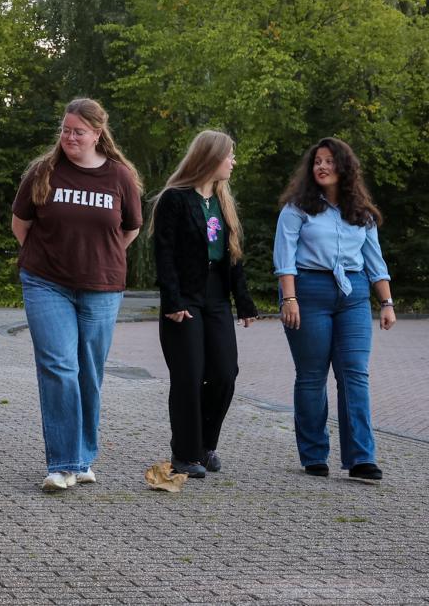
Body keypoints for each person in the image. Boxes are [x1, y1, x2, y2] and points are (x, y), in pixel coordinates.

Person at [11, 98, 143, 491]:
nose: (69, 137)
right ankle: (63, 463)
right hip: (46, 282)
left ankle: (82, 459)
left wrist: (99, 258)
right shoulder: (43, 172)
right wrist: (48, 258)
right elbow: (20, 224)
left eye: (78, 132)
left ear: (97, 134)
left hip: (101, 287)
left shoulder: (119, 177)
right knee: (59, 367)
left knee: (89, 372)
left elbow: (130, 228)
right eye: (66, 130)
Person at [273, 137, 395, 482]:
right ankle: (314, 455)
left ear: (344, 167)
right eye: (317, 162)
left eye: (329, 161)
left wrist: (386, 303)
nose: (322, 167)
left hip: (353, 295)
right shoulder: (297, 209)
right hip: (308, 291)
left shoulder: (361, 213)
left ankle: (361, 458)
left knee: (354, 373)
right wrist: (289, 299)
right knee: (312, 376)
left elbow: (375, 261)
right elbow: (284, 257)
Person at [150, 130, 257, 479]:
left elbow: (233, 257)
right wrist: (172, 299)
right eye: (229, 155)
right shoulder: (175, 199)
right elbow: (164, 253)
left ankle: (205, 445)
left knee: (225, 373)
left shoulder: (223, 201)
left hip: (217, 298)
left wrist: (243, 302)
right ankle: (184, 453)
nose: (233, 161)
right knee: (189, 376)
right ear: (210, 158)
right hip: (185, 297)